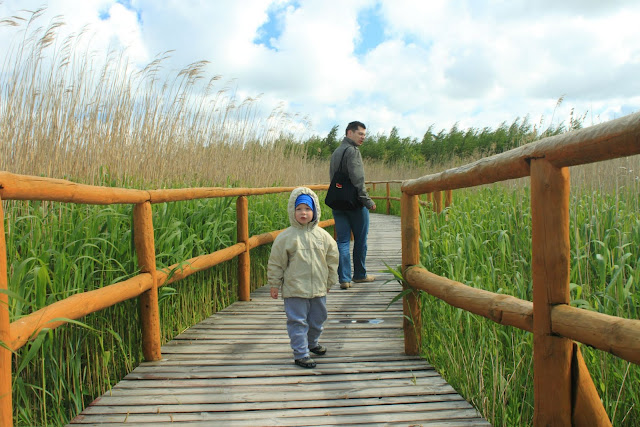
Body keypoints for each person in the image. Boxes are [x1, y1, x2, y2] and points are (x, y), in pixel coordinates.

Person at [268, 187, 339, 368]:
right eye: (299, 209)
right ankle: (301, 353)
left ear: (314, 211)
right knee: (297, 321)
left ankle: (312, 343)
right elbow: (276, 263)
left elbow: (332, 259)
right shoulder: (285, 238)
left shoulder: (323, 236)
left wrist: (330, 280)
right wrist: (275, 284)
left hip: (318, 288)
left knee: (318, 319)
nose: (303, 213)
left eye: (307, 209)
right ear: (293, 211)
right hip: (295, 288)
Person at [329, 121, 376, 289]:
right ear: (350, 133)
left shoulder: (336, 152)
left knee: (342, 241)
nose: (363, 137)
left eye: (364, 134)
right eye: (360, 134)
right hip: (354, 203)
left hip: (337, 201)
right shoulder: (353, 151)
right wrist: (367, 201)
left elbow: (333, 178)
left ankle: (344, 279)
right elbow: (358, 179)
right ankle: (360, 275)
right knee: (360, 240)